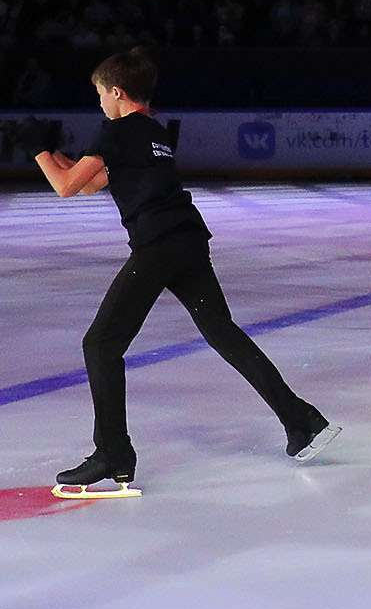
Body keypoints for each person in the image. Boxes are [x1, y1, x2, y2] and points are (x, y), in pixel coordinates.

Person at [31, 48, 335, 498]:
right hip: (188, 241)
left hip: (157, 247)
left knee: (100, 344)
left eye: (99, 94)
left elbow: (65, 187)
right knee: (223, 334)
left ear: (116, 93)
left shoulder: (114, 133)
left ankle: (113, 453)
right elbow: (93, 181)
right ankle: (304, 422)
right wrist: (54, 152)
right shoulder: (153, 132)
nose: (98, 103)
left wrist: (36, 149)